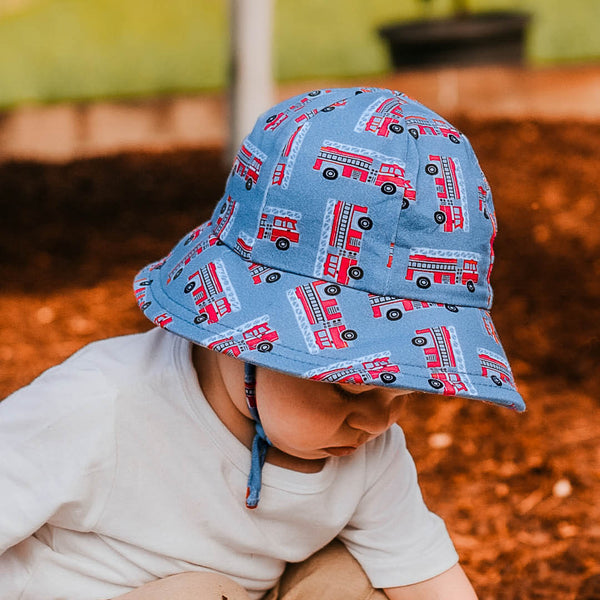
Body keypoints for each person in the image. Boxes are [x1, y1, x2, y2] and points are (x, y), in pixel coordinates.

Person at [0, 87, 525, 600]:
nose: (376, 421)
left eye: (402, 391)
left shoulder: (370, 452)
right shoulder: (101, 406)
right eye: (346, 389)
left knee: (350, 581)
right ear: (245, 340)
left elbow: (426, 579)